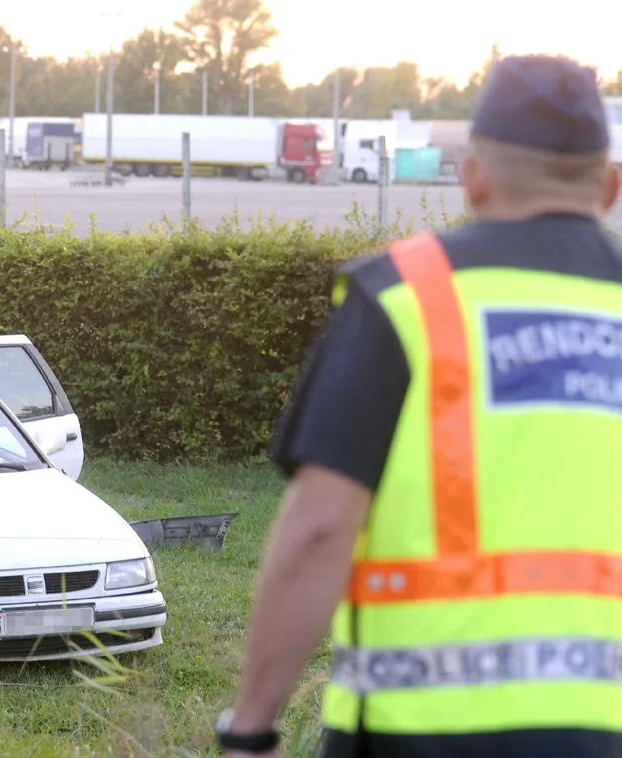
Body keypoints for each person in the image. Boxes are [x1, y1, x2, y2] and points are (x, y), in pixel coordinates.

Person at [214, 54, 622, 758]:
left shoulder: (404, 294)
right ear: (610, 186)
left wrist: (249, 728)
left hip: (419, 732)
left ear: (471, 177)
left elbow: (318, 530)